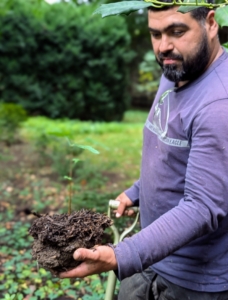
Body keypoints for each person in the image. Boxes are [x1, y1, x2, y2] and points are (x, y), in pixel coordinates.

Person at [60, 2, 228, 299]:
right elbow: (168, 146)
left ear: (211, 23)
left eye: (177, 31)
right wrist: (137, 190)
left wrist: (121, 255)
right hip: (151, 256)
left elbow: (203, 207)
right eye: (155, 33)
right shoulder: (175, 69)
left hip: (192, 280)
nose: (164, 46)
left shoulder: (219, 103)